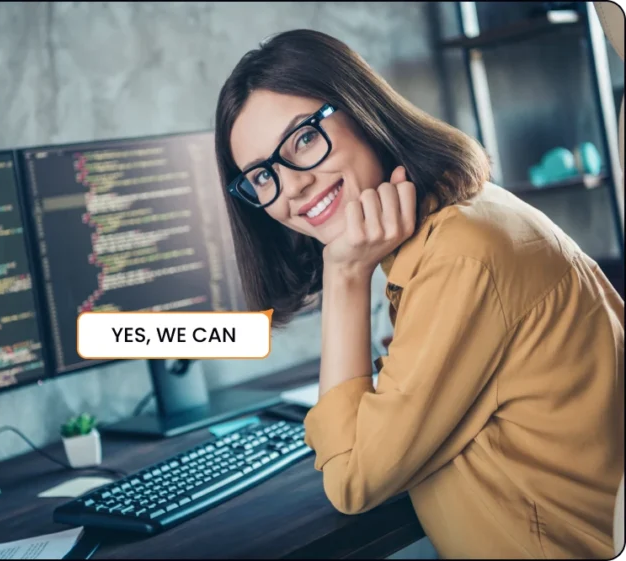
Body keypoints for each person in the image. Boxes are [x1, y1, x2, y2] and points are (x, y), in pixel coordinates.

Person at [213, 29, 624, 559]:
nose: (290, 186)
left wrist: (344, 276)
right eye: (262, 175)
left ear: (362, 111)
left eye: (305, 140)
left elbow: (351, 480)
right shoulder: (456, 220)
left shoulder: (460, 256)